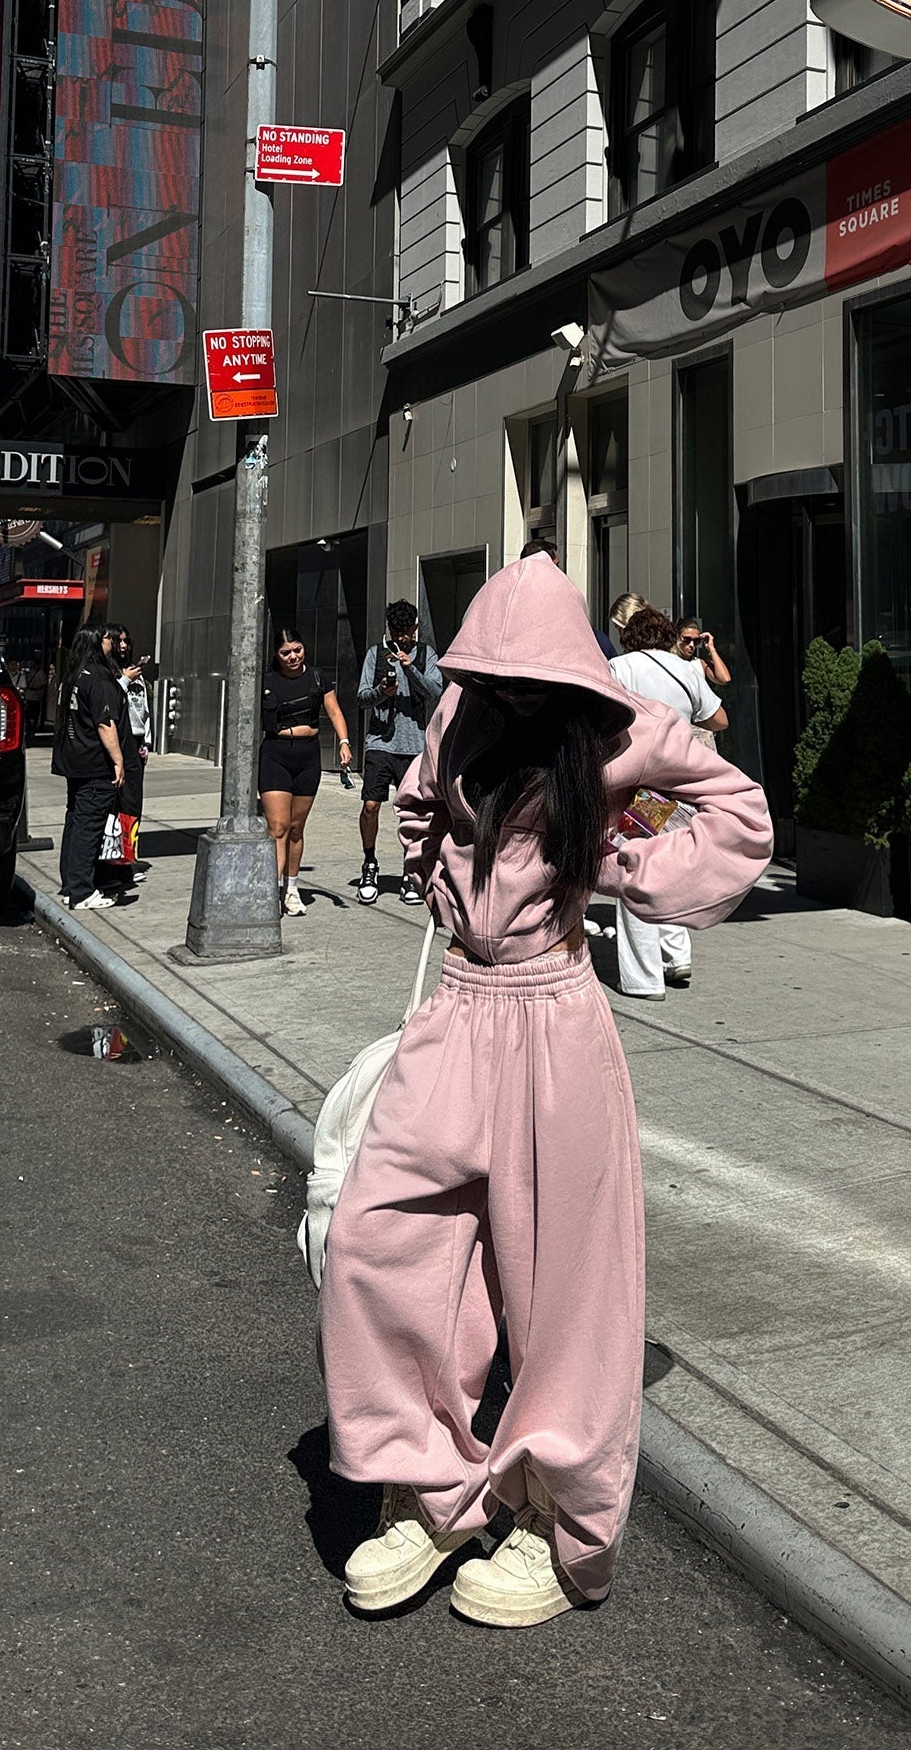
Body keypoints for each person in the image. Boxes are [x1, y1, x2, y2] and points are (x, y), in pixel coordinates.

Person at [320, 556, 771, 1625]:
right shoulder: (461, 713)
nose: (509, 692)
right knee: (378, 1242)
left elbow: (740, 814)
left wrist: (620, 870)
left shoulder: (617, 730)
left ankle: (555, 1522)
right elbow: (420, 801)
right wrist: (435, 875)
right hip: (458, 1010)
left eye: (528, 675)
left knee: (566, 1288)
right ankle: (428, 1490)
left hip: (557, 1015)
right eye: (494, 672)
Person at [609, 604, 727, 996]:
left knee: (634, 872)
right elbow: (720, 719)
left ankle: (643, 977)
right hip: (681, 786)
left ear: (629, 636)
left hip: (640, 788)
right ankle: (677, 955)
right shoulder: (686, 670)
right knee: (670, 869)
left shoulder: (621, 667)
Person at [355, 601, 442, 906]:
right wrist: (382, 691)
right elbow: (362, 698)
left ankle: (411, 872)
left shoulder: (426, 654)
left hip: (414, 746)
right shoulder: (375, 654)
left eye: (406, 632)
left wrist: (409, 667)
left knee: (413, 813)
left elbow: (435, 691)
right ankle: (369, 863)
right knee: (370, 806)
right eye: (396, 631)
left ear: (414, 628)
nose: (401, 638)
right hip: (380, 743)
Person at [260, 628, 352, 915]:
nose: (293, 657)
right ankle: (271, 893)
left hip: (308, 756)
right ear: (276, 654)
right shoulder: (265, 681)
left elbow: (334, 711)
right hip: (275, 754)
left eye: (297, 650)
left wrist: (344, 742)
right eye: (285, 652)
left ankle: (291, 889)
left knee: (296, 828)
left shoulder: (317, 678)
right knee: (278, 828)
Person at [51, 625, 126, 913]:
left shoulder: (72, 675)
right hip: (94, 762)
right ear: (97, 642)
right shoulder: (97, 677)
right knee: (88, 826)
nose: (112, 642)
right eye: (107, 638)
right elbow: (105, 723)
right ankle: (82, 890)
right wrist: (118, 760)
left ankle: (71, 885)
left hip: (73, 760)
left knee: (75, 821)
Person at [112, 628, 152, 881]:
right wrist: (125, 680)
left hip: (136, 741)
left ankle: (129, 856)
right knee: (119, 802)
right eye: (119, 641)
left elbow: (143, 709)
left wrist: (146, 741)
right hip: (118, 739)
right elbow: (110, 702)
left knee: (133, 803)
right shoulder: (110, 674)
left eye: (127, 641)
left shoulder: (137, 675)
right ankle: (117, 860)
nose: (124, 645)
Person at [677, 616, 732, 712]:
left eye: (696, 641)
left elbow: (724, 678)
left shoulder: (699, 663)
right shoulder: (667, 660)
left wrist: (711, 648)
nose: (692, 645)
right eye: (686, 640)